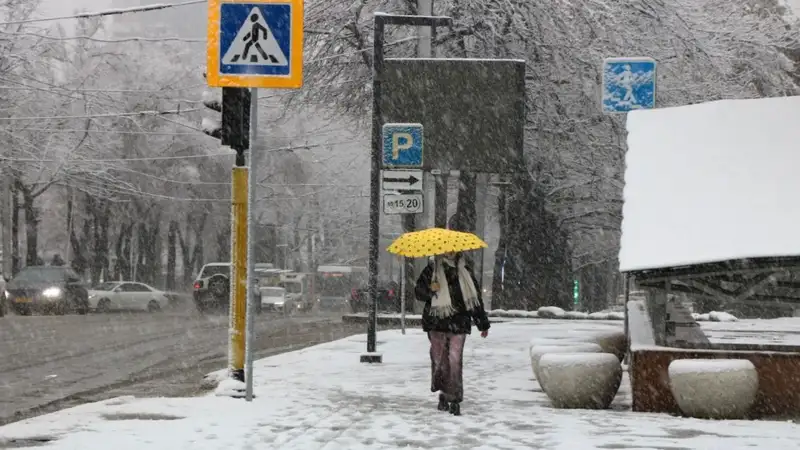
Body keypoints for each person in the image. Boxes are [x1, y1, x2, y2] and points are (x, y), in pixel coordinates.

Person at [415, 251, 490, 416]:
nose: (450, 253)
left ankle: (454, 398)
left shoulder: (465, 272)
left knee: (455, 360)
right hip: (437, 323)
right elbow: (418, 293)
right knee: (440, 360)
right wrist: (431, 290)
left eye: (453, 250)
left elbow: (474, 298)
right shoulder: (432, 270)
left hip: (459, 323)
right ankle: (443, 392)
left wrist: (482, 323)